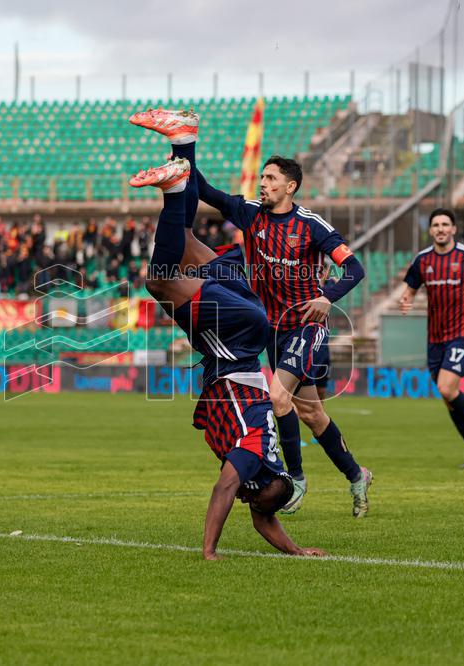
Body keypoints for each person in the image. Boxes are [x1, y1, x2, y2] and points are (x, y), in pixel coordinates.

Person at [129, 109, 326, 560]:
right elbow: (224, 490)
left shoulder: (266, 472)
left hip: (245, 319)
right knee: (159, 282)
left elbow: (264, 519)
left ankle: (183, 141)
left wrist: (297, 551)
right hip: (235, 340)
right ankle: (174, 187)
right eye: (252, 497)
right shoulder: (253, 458)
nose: (245, 498)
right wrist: (209, 552)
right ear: (261, 488)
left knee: (182, 243)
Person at [174, 119, 370, 517]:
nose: (262, 184)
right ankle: (357, 475)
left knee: (278, 397)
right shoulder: (251, 214)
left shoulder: (311, 226)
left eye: (270, 179)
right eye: (262, 177)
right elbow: (204, 190)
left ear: (290, 186)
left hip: (306, 326)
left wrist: (327, 298)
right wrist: (182, 148)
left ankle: (295, 478)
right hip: (272, 329)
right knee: (311, 413)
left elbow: (354, 269)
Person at [399, 209, 464, 468]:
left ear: (454, 229)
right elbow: (410, 289)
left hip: (463, 332)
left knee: (447, 388)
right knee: (447, 397)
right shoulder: (422, 260)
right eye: (436, 225)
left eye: (445, 224)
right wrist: (406, 299)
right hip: (435, 337)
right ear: (431, 230)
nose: (441, 229)